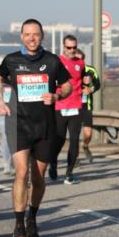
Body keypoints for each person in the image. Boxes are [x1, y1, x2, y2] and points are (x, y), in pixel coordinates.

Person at [0, 18, 72, 237]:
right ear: (21, 36)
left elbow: (67, 85)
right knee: (21, 173)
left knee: (38, 178)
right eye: (27, 34)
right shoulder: (11, 60)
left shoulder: (51, 61)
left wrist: (58, 95)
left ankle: (32, 218)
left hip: (44, 126)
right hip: (18, 124)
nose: (31, 38)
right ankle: (18, 225)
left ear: (42, 36)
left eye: (36, 34)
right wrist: (1, 97)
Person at [49, 35, 85, 184]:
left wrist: (88, 84)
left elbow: (82, 80)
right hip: (60, 106)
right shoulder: (56, 62)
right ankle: (53, 162)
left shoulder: (80, 63)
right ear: (63, 47)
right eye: (68, 47)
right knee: (60, 139)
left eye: (74, 47)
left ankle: (69, 173)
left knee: (75, 141)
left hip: (76, 106)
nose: (71, 50)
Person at [76, 49, 102, 164]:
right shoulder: (69, 71)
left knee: (88, 134)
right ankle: (74, 157)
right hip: (73, 106)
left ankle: (85, 146)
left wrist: (90, 89)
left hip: (87, 106)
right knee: (74, 134)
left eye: (80, 59)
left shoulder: (90, 70)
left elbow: (98, 84)